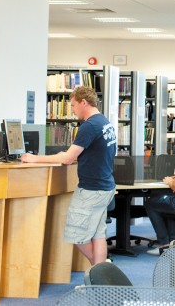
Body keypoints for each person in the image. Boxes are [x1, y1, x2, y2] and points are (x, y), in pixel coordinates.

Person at [20, 85, 116, 266]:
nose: (72, 110)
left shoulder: (89, 126)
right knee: (98, 233)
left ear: (84, 103)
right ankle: (100, 277)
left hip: (91, 189)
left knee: (76, 235)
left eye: (73, 106)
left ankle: (99, 269)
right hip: (105, 186)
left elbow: (67, 158)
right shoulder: (104, 122)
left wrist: (34, 159)